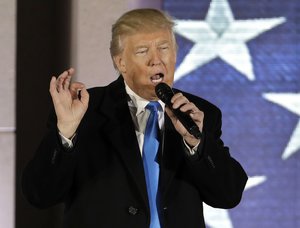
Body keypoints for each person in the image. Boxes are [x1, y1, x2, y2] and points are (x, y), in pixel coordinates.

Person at [22, 8, 248, 228]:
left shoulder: (198, 113)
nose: (156, 60)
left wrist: (196, 143)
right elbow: (40, 194)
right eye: (142, 51)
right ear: (121, 63)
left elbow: (228, 195)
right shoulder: (84, 111)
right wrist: (66, 133)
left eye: (164, 48)